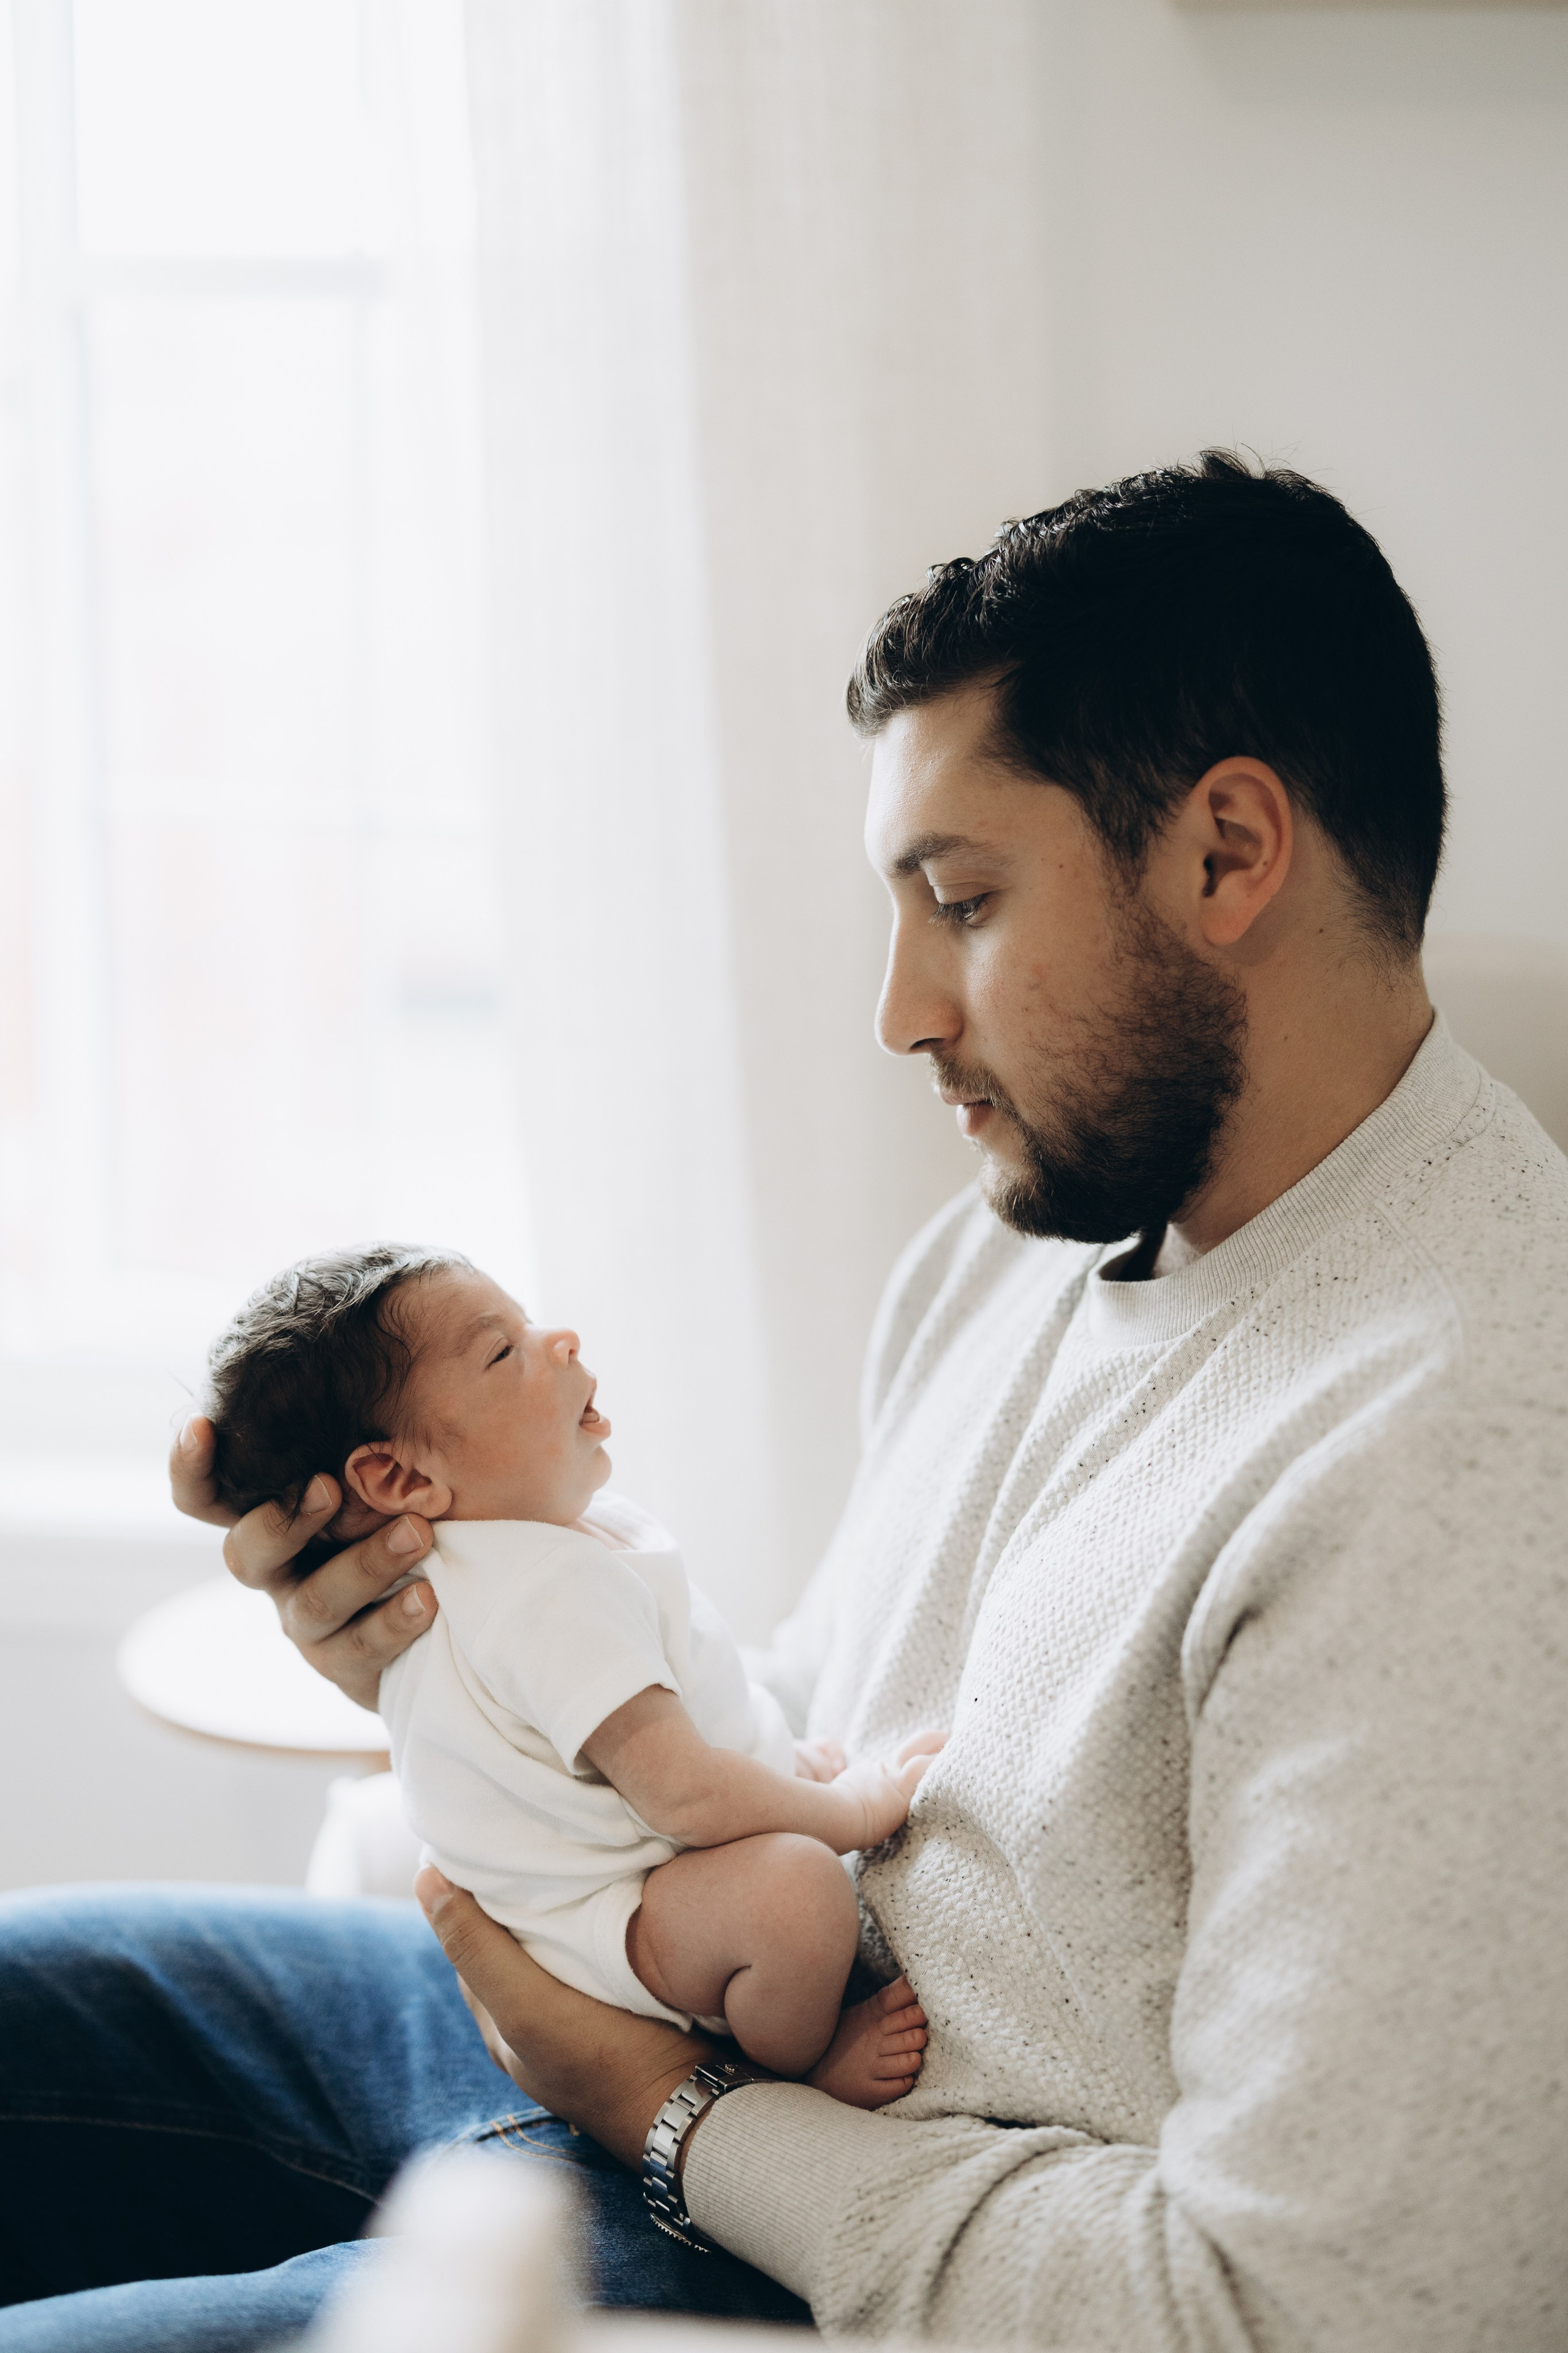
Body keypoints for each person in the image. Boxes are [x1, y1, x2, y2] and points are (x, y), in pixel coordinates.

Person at [1, 450, 1563, 2351]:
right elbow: (809, 1714)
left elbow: (1292, 2315)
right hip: (658, 2027)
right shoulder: (1035, 1225)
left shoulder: (1467, 1455)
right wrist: (455, 1666)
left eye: (964, 900)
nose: (902, 1009)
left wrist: (669, 2116)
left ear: (1230, 854)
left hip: (814, 2226)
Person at [203, 1242, 937, 2100]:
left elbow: (678, 1695)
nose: (561, 1340)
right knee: (799, 1894)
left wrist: (773, 1762)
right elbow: (685, 1795)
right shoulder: (543, 1589)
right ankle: (801, 2071)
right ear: (400, 1474)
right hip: (608, 1921)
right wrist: (847, 1810)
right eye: (502, 1351)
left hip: (605, 1886)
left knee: (776, 1768)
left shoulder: (505, 1550)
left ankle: (779, 1792)